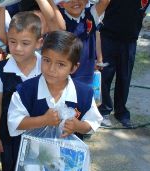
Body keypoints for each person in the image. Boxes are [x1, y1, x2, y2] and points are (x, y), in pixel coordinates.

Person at [8, 30, 102, 142]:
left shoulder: (84, 93)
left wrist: (78, 126)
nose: (51, 69)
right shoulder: (25, 91)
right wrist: (43, 120)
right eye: (47, 60)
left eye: (61, 64)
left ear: (73, 68)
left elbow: (93, 122)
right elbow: (14, 122)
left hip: (67, 155)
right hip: (33, 156)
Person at [0, 11, 43, 171]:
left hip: (41, 136)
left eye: (25, 43)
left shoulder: (46, 66)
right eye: (12, 42)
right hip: (9, 137)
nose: (18, 48)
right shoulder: (2, 69)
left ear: (39, 43)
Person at [98, 0, 150, 128]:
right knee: (105, 76)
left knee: (124, 77)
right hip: (108, 36)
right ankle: (104, 110)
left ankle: (121, 112)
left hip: (130, 39)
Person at [35, 0, 110, 85]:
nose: (75, 1)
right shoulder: (59, 20)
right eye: (69, 0)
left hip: (87, 76)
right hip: (64, 78)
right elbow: (56, 23)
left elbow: (105, 1)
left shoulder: (91, 14)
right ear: (61, 3)